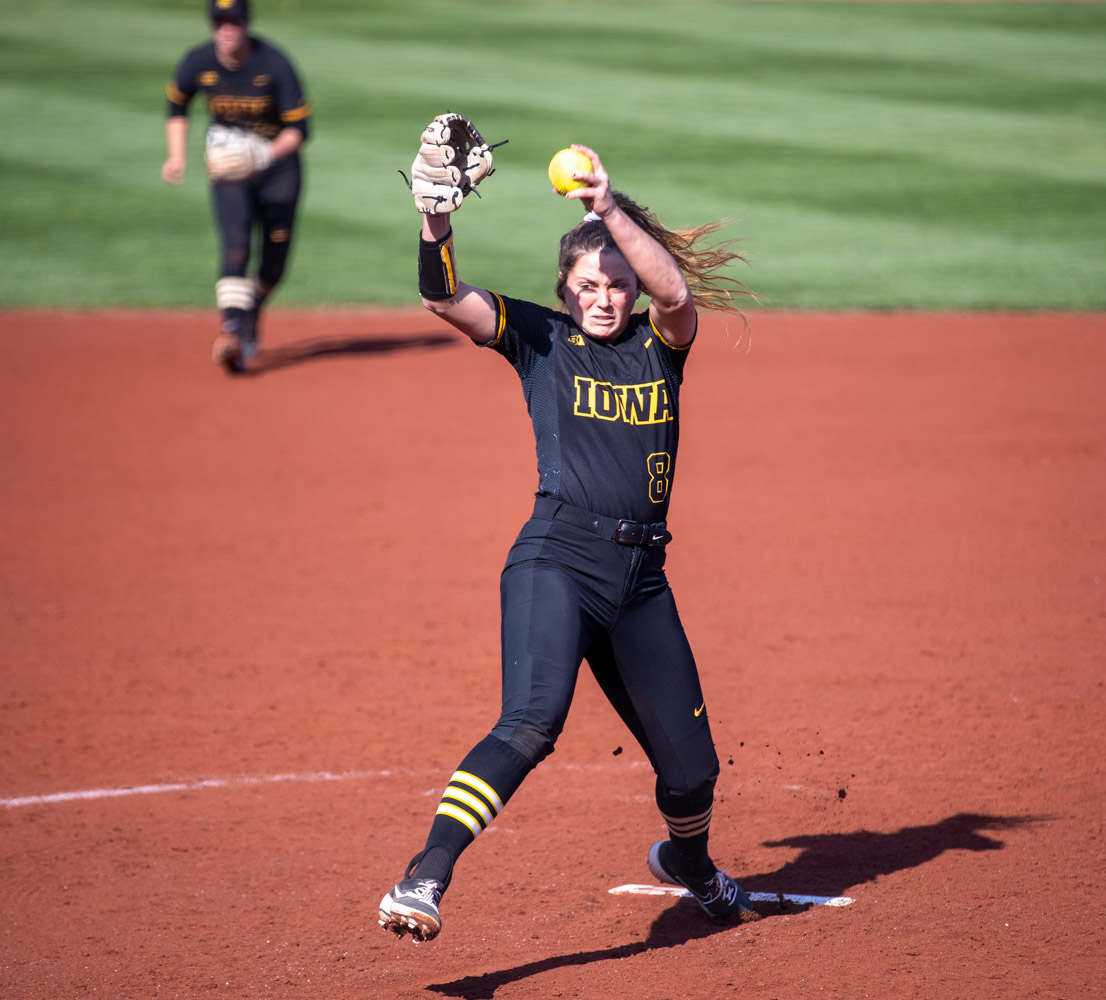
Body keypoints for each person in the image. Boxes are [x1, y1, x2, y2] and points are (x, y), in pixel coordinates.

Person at [378, 118, 761, 943]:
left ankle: (689, 865)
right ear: (565, 287)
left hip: (640, 583)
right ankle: (424, 876)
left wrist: (607, 206)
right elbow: (445, 298)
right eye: (587, 282)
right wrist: (434, 220)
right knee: (530, 722)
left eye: (615, 282)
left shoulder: (663, 346)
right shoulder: (541, 339)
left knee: (693, 774)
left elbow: (677, 296)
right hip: (557, 559)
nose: (602, 295)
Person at [161, 0, 311, 373]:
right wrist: (176, 156)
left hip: (278, 170)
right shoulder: (198, 62)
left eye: (234, 21)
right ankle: (233, 333)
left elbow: (300, 130)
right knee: (236, 247)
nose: (226, 28)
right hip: (229, 174)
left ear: (246, 23)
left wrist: (264, 155)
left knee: (273, 267)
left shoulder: (274, 63)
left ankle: (251, 307)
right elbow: (176, 105)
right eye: (219, 21)